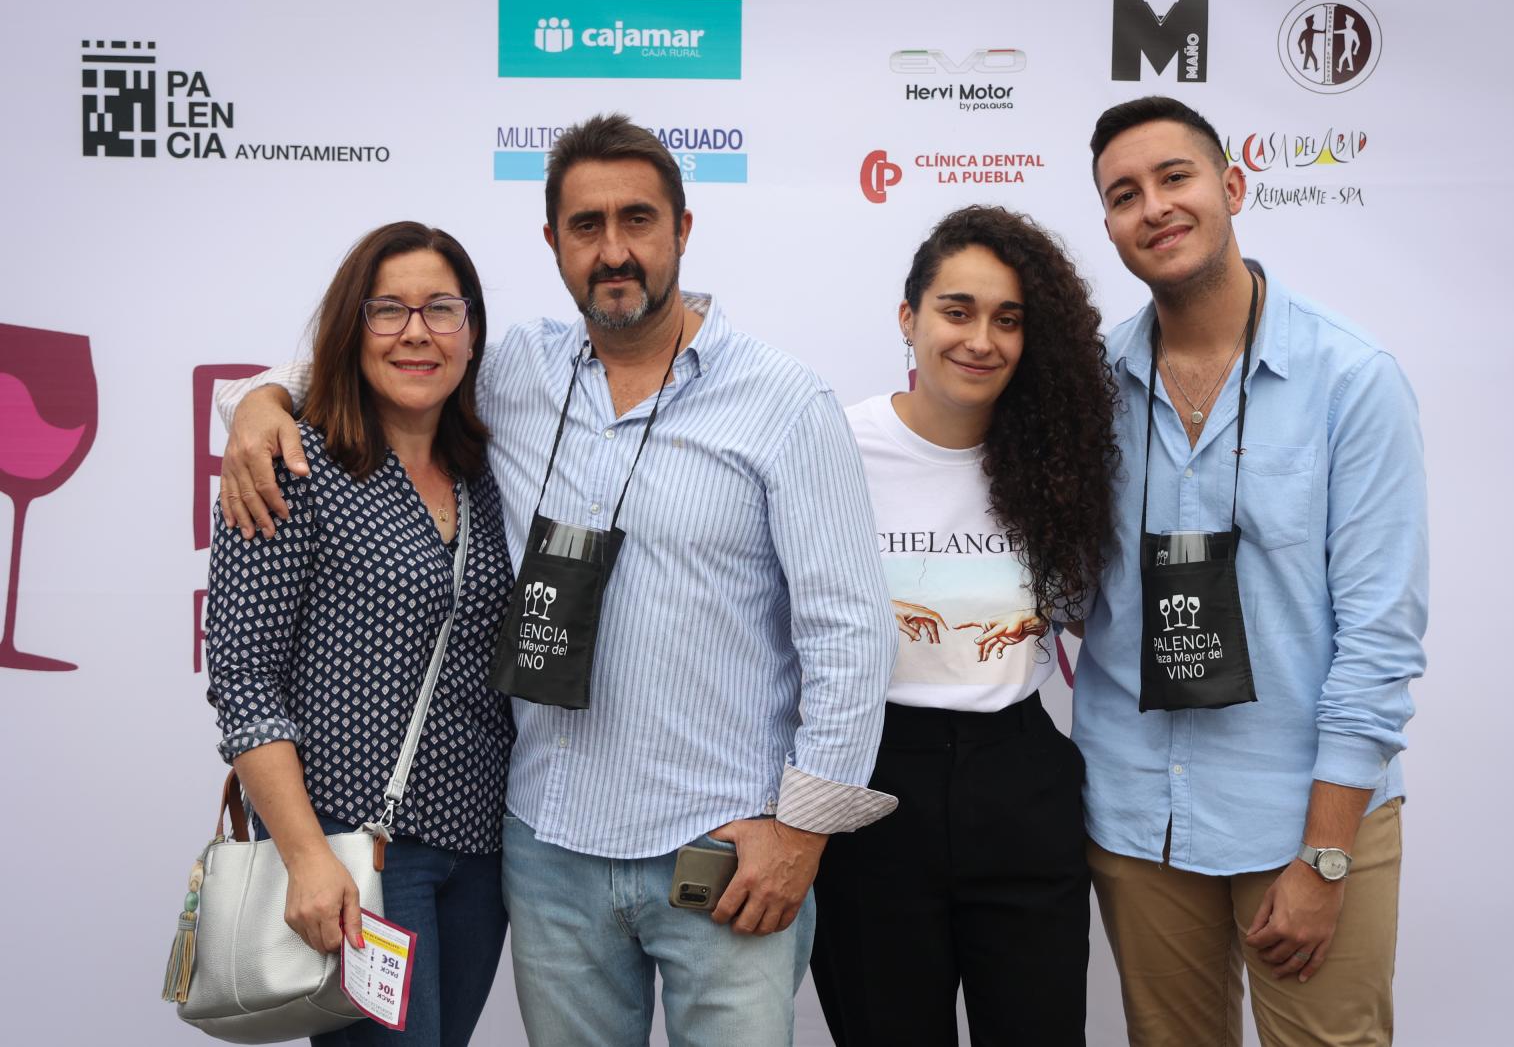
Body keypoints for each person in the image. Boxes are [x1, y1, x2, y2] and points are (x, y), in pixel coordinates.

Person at [214, 114, 897, 1046]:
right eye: (586, 225)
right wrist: (257, 402)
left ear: (683, 230)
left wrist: (804, 832)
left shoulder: (785, 403)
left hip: (724, 846)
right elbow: (385, 357)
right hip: (546, 853)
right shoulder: (514, 374)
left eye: (638, 219)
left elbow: (852, 635)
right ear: (553, 243)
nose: (613, 249)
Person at [1077, 95, 1427, 1046]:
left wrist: (1325, 855)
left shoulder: (1352, 379)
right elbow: (1073, 594)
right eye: (1123, 194)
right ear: (1108, 227)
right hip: (1139, 812)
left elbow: (1381, 637)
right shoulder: (1089, 387)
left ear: (1232, 187)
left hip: (1306, 816)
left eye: (1174, 177)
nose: (1152, 206)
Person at [808, 206, 1119, 1046]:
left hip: (1022, 783)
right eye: (957, 310)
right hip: (872, 784)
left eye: (1008, 319)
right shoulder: (836, 446)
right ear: (908, 319)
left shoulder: (1058, 460)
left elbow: (1091, 614)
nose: (981, 338)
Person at [205, 221, 514, 1047]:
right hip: (357, 851)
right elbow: (242, 677)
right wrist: (307, 855)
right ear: (353, 327)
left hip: (480, 851)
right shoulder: (291, 462)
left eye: (442, 309)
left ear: (472, 332)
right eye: (389, 310)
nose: (417, 332)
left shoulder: (489, 476)